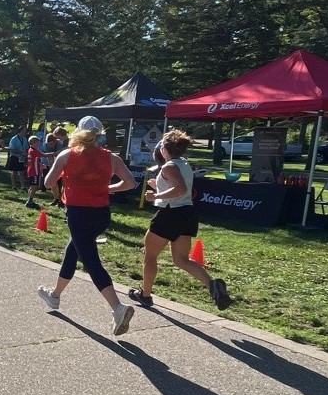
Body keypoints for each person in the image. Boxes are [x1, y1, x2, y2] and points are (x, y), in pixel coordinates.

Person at [36, 115, 139, 336]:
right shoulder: (111, 158)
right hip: (101, 215)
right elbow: (130, 183)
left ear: (78, 133)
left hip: (78, 213)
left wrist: (66, 177)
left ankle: (117, 308)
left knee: (91, 261)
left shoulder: (66, 155)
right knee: (72, 251)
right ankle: (54, 295)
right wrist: (107, 189)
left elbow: (47, 183)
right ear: (100, 134)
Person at [128, 128, 231, 310]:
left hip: (170, 214)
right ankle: (212, 285)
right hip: (187, 214)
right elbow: (178, 186)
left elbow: (180, 188)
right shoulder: (183, 163)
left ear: (164, 149)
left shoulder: (169, 166)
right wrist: (158, 185)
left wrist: (156, 196)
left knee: (150, 255)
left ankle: (145, 294)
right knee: (181, 259)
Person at [24, 134, 43, 208]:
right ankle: (30, 201)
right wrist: (54, 153)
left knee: (32, 186)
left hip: (31, 170)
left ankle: (29, 199)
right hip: (34, 171)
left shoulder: (30, 150)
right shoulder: (33, 151)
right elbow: (43, 155)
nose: (38, 145)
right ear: (34, 143)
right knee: (34, 186)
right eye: (37, 143)